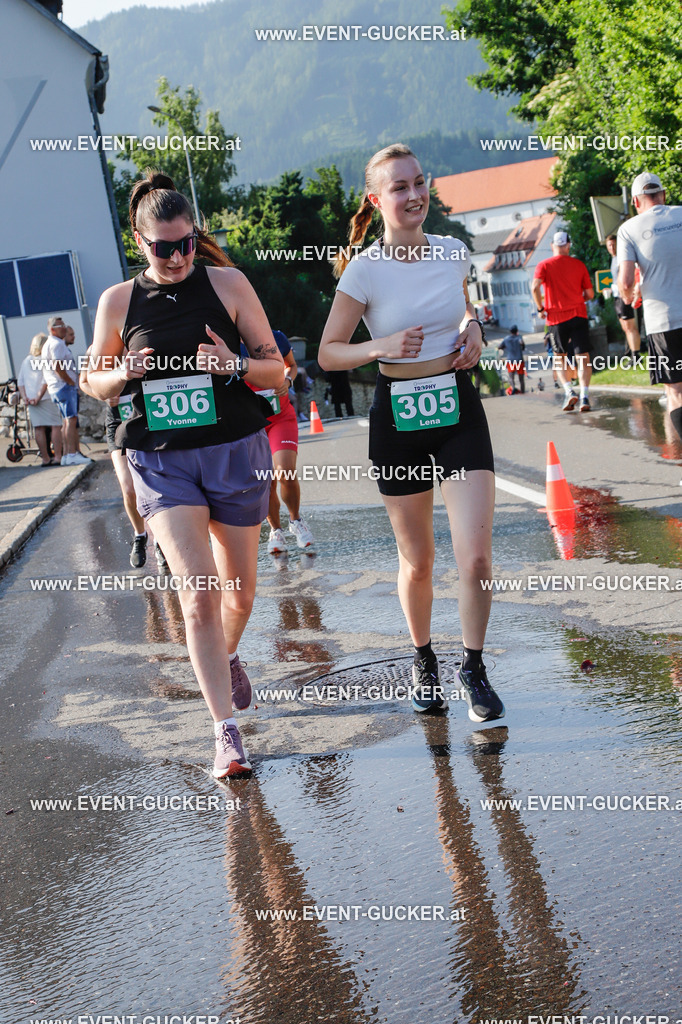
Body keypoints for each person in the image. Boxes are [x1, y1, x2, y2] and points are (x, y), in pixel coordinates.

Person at [87, 170, 285, 778]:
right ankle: (225, 732)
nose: (176, 257)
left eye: (185, 244)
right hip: (161, 456)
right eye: (162, 248)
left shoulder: (228, 284)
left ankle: (224, 657)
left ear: (194, 238)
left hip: (234, 449)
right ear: (138, 243)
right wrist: (123, 375)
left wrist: (234, 364)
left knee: (240, 592)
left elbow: (278, 372)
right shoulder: (119, 301)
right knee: (197, 590)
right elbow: (93, 380)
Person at [319, 142, 503, 724]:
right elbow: (327, 353)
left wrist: (473, 329)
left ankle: (472, 668)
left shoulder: (452, 252)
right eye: (399, 187)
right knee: (418, 560)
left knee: (474, 559)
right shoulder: (364, 269)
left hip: (457, 408)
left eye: (419, 182)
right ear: (376, 200)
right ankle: (424, 659)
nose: (414, 194)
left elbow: (465, 308)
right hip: (398, 416)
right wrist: (381, 347)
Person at [80, 345, 168, 572]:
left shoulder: (139, 340)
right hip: (117, 420)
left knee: (155, 483)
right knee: (129, 488)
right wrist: (105, 395)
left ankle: (159, 538)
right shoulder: (96, 349)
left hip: (145, 418)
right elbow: (84, 382)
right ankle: (140, 536)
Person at [617, 172, 682, 441]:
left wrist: (629, 295)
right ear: (663, 194)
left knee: (676, 392)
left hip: (664, 321)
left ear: (635, 201)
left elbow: (626, 280)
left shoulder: (628, 229)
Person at [242, 329, 315, 554]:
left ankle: (296, 521)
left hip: (281, 416)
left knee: (285, 471)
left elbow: (291, 366)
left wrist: (287, 380)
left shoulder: (276, 337)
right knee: (266, 480)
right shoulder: (230, 343)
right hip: (252, 422)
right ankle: (276, 530)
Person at [531, 230, 595, 413]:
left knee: (560, 360)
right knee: (583, 358)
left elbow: (535, 286)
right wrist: (579, 296)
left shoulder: (543, 265)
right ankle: (584, 396)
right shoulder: (579, 265)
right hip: (578, 315)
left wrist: (540, 308)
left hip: (556, 319)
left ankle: (569, 391)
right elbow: (590, 294)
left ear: (552, 246)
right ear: (568, 245)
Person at [41, 316, 91, 465]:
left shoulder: (50, 344)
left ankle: (67, 455)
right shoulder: (57, 344)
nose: (64, 327)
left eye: (64, 325)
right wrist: (70, 382)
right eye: (60, 326)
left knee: (66, 420)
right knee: (70, 419)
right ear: (52, 329)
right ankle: (71, 453)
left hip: (57, 387)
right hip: (63, 386)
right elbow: (58, 366)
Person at [17, 332, 63, 465]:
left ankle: (45, 458)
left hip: (30, 400)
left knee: (38, 429)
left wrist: (26, 397)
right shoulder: (45, 360)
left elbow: (21, 382)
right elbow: (45, 381)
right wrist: (38, 397)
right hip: (46, 398)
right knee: (56, 426)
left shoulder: (26, 361)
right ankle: (58, 456)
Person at [605, 233, 641, 359]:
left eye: (614, 245)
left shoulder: (622, 257)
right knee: (625, 327)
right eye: (610, 245)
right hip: (617, 296)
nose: (612, 248)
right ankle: (631, 352)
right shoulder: (613, 259)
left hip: (624, 295)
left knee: (630, 325)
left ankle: (636, 354)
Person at [498, 325, 526, 393]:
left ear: (510, 331)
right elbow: (523, 347)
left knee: (511, 377)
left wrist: (506, 347)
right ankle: (522, 391)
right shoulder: (519, 337)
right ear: (517, 331)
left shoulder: (506, 339)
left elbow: (500, 347)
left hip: (510, 360)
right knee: (521, 378)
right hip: (519, 360)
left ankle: (513, 388)